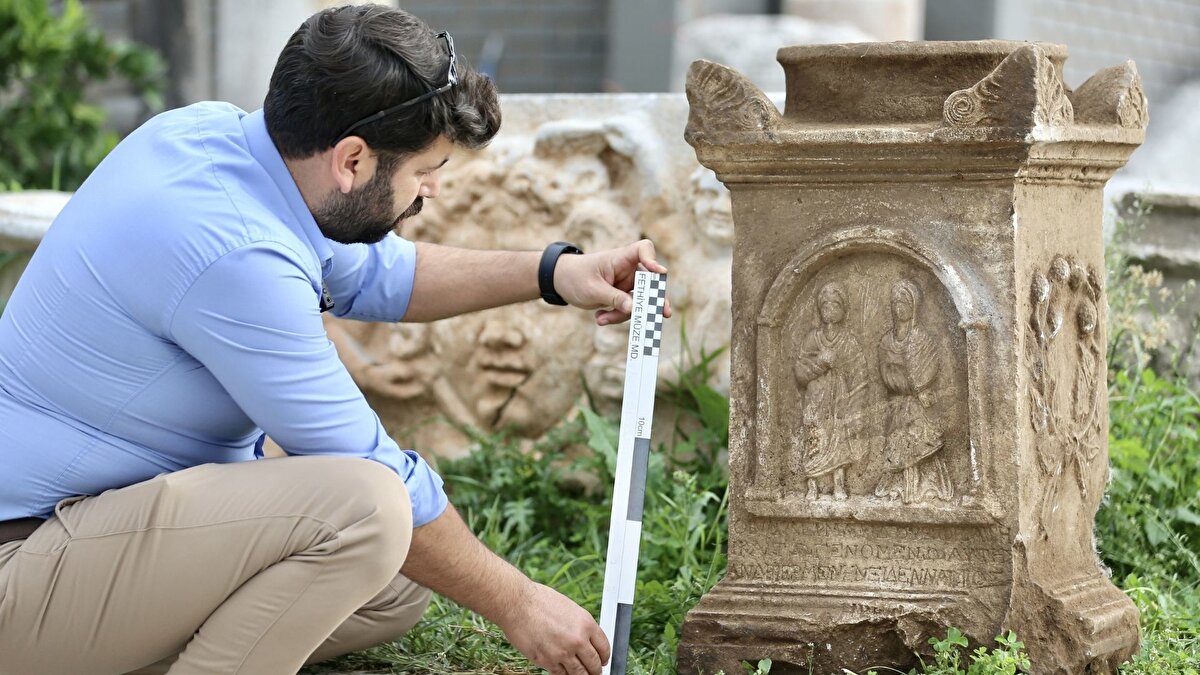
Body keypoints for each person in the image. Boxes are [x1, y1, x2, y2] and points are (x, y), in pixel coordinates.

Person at [0, 5, 668, 674]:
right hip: (24, 563)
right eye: (423, 171)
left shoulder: (217, 141)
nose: (432, 189)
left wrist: (555, 271)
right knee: (371, 512)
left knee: (398, 578)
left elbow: (382, 274)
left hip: (96, 531)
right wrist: (521, 603)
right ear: (351, 160)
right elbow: (371, 464)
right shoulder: (236, 254)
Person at [791, 281, 868, 501]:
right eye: (825, 306)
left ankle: (839, 484)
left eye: (835, 305)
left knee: (839, 441)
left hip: (840, 402)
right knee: (814, 438)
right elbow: (800, 372)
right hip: (816, 399)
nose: (830, 310)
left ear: (843, 310)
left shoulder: (849, 341)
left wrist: (856, 406)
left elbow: (860, 374)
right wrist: (820, 364)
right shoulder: (812, 339)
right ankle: (812, 485)